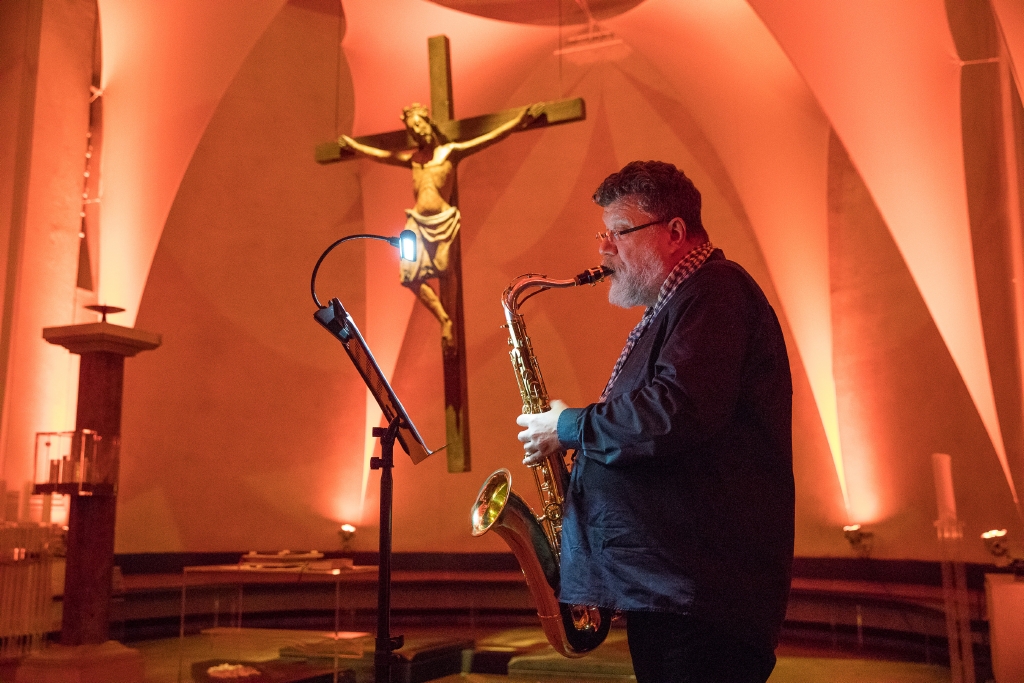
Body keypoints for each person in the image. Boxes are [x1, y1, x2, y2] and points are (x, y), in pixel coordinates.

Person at [516, 161, 794, 683]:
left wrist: (569, 426)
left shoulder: (717, 290)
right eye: (604, 234)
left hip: (702, 598)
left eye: (619, 231)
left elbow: (674, 412)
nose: (605, 248)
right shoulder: (677, 305)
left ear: (675, 232)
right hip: (673, 592)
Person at [339, 102, 543, 354]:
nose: (417, 132)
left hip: (443, 221)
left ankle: (450, 323)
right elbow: (383, 155)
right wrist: (356, 147)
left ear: (428, 123)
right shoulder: (415, 160)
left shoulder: (450, 152)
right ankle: (444, 319)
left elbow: (489, 138)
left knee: (446, 271)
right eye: (412, 130)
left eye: (419, 125)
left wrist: (517, 122)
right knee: (409, 276)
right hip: (417, 222)